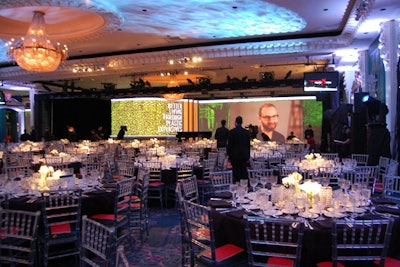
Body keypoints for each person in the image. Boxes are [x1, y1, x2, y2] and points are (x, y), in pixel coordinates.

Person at [227, 116, 250, 183]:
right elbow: (248, 145)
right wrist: (248, 155)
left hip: (235, 156)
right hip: (244, 155)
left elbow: (230, 145)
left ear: (236, 122)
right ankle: (245, 186)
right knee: (243, 171)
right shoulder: (246, 132)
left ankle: (237, 186)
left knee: (236, 171)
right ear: (242, 122)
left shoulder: (232, 132)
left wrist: (229, 155)